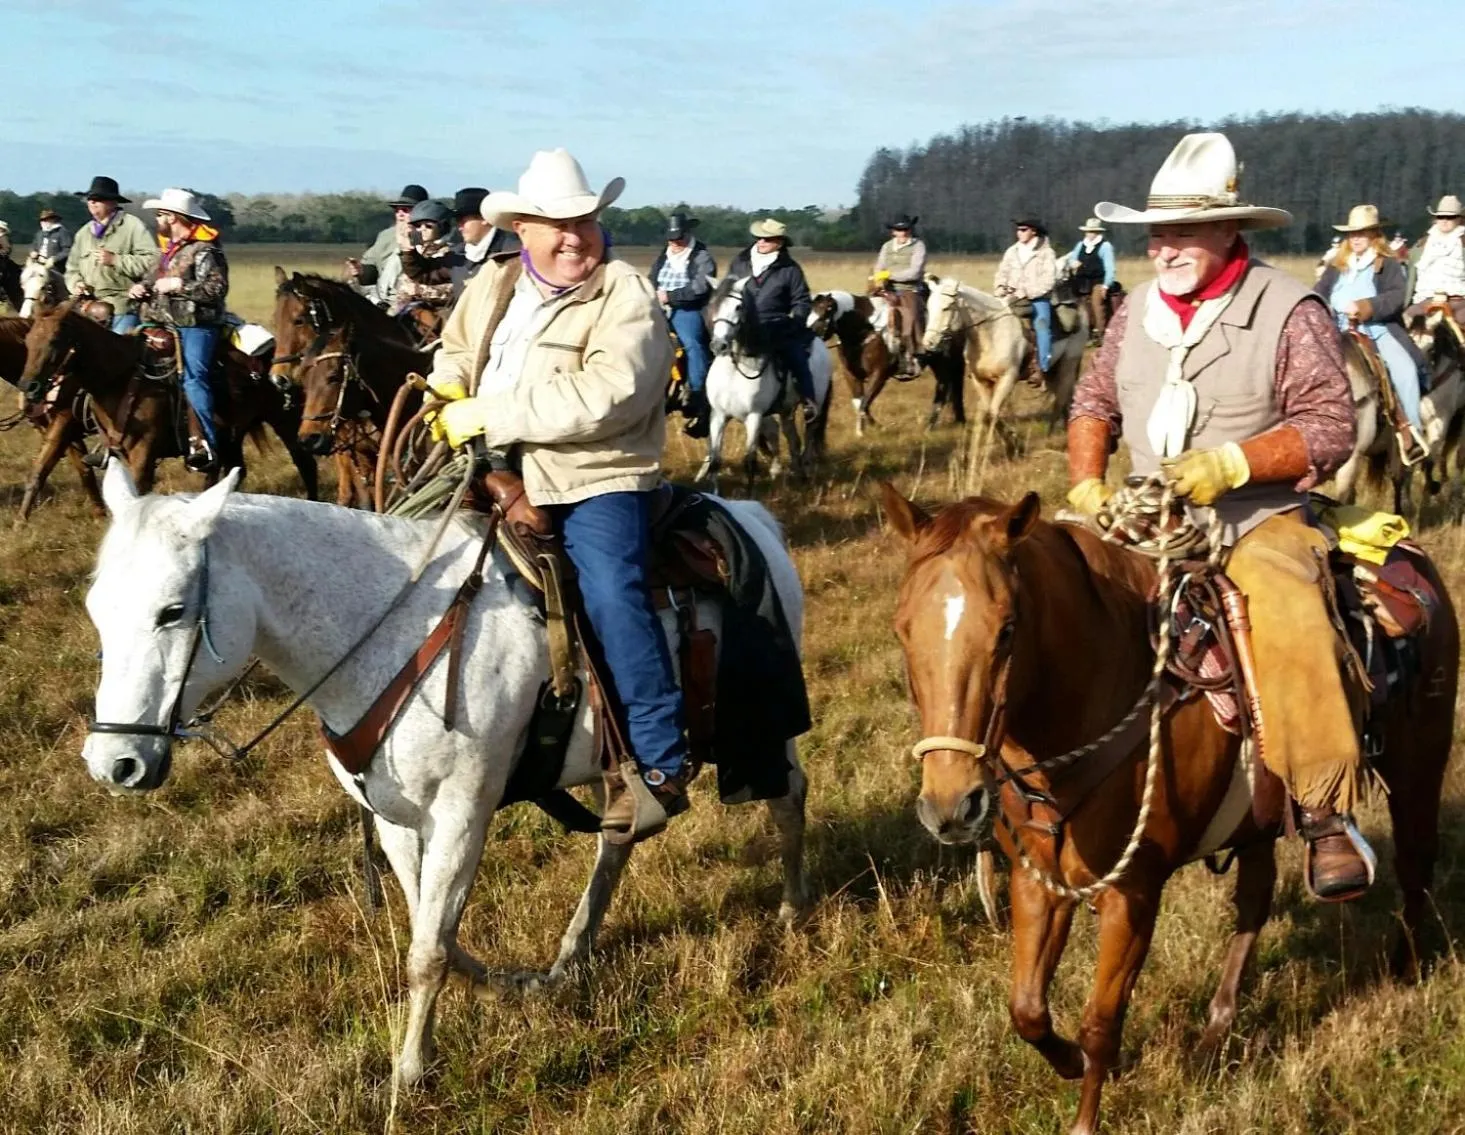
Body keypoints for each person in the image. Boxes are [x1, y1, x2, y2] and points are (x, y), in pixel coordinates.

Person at [1066, 131, 1370, 902]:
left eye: (1183, 231)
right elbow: (1093, 401)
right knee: (1042, 591)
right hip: (1139, 514)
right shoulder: (1134, 309)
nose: (1164, 247)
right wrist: (1085, 485)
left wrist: (1231, 464)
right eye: (1156, 232)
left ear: (1229, 229)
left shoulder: (1287, 306)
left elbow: (1330, 425)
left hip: (1252, 517)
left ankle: (1322, 809)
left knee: (1283, 604)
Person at [422, 148, 686, 835]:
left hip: (593, 474)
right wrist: (449, 387)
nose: (575, 236)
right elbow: (455, 347)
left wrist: (492, 414)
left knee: (609, 589)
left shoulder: (622, 291)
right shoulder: (494, 283)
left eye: (586, 221)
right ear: (524, 230)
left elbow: (612, 393)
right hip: (486, 465)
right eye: (556, 223)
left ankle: (657, 760)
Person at [1316, 204, 1428, 462]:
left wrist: (1366, 307)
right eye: (1352, 233)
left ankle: (1409, 433)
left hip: (1375, 330)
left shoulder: (1386, 265)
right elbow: (1319, 291)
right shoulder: (1337, 265)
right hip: (1335, 328)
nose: (1355, 238)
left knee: (1406, 371)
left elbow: (1397, 297)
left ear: (1374, 235)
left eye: (1362, 233)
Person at [128, 188, 229, 473]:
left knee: (195, 378)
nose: (157, 219)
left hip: (197, 325)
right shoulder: (167, 250)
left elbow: (217, 289)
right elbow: (150, 279)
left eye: (160, 214)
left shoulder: (205, 249)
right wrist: (141, 288)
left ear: (173, 217)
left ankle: (204, 443)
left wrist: (180, 286)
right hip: (159, 322)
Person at [726, 218, 819, 421]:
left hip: (776, 325)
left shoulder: (791, 269)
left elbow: (801, 300)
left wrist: (796, 320)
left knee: (797, 358)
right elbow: (727, 289)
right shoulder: (740, 262)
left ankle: (808, 401)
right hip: (740, 324)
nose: (760, 242)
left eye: (767, 239)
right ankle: (706, 405)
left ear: (780, 242)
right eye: (759, 238)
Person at [648, 211, 716, 436]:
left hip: (687, 308)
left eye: (678, 238)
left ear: (687, 234)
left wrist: (670, 297)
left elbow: (700, 288)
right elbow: (652, 279)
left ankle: (696, 392)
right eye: (671, 238)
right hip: (659, 307)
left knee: (692, 345)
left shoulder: (701, 256)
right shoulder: (664, 255)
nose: (674, 243)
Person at [65, 175, 158, 332]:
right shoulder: (83, 233)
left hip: (122, 308)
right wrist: (76, 284)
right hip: (88, 307)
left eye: (98, 198)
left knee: (119, 353)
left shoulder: (132, 226)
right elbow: (71, 269)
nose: (92, 202)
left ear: (113, 202)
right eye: (90, 198)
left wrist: (116, 260)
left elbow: (152, 262)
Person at [346, 183, 428, 309]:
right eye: (397, 210)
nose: (400, 214)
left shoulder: (428, 237)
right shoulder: (385, 236)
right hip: (380, 301)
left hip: (412, 303)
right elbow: (370, 271)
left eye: (406, 210)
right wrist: (360, 271)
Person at [994, 216, 1058, 374]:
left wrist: (1027, 292)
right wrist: (1000, 287)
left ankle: (1043, 367)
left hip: (1038, 299)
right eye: (1018, 230)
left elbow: (1048, 280)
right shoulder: (1012, 251)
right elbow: (1002, 272)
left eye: (1023, 230)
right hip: (1011, 297)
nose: (1019, 233)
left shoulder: (1046, 253)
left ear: (1033, 232)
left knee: (1042, 326)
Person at [872, 214, 928, 375]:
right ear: (893, 232)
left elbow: (914, 272)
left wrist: (889, 275)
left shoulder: (918, 246)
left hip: (909, 289)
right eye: (899, 229)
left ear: (910, 230)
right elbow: (879, 267)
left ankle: (915, 353)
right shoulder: (886, 247)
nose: (903, 233)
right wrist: (880, 280)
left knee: (911, 317)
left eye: (905, 229)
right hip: (886, 288)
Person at [395, 198, 462, 312]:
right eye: (418, 226)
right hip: (407, 309)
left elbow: (456, 288)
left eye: (428, 226)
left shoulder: (451, 253)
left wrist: (420, 291)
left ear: (443, 227)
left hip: (439, 312)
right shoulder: (416, 250)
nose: (422, 230)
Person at [1407, 194, 1465, 326]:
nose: (1444, 220)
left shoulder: (1463, 243)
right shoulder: (1422, 244)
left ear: (1459, 219)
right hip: (1425, 300)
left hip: (1458, 301)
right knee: (1407, 319)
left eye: (1450, 217)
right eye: (1440, 216)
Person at [1065, 218, 1117, 341]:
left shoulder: (1105, 246)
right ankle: (1085, 333)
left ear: (1098, 233)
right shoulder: (1081, 245)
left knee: (1097, 304)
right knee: (1081, 306)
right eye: (1088, 231)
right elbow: (1072, 258)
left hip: (1098, 280)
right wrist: (1074, 263)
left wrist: (1106, 285)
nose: (1089, 234)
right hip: (1081, 280)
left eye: (1092, 231)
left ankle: (1101, 334)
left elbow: (1109, 267)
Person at [32, 208, 73, 273]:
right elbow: (35, 247)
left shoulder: (62, 232)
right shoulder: (39, 234)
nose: (43, 222)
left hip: (56, 268)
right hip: (38, 264)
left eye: (46, 220)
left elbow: (67, 250)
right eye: (42, 220)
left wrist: (54, 259)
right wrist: (34, 252)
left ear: (53, 220)